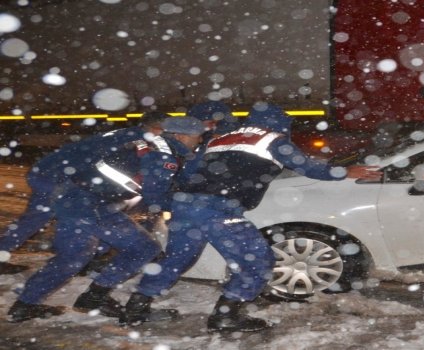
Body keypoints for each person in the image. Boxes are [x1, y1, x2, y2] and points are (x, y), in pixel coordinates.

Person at [119, 102, 382, 332]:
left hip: (185, 206)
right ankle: (227, 317)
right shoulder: (272, 139)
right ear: (280, 122)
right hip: (218, 208)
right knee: (257, 260)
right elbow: (307, 166)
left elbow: (189, 174)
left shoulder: (219, 139)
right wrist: (345, 171)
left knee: (177, 259)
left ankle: (136, 309)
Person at [7, 117, 205, 323]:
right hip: (91, 204)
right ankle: (95, 297)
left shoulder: (146, 142)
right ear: (180, 136)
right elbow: (155, 196)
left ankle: (24, 305)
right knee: (144, 248)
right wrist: (187, 206)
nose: (199, 141)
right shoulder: (163, 156)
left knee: (73, 256)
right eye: (197, 137)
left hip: (70, 196)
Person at [0, 111, 168, 275]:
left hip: (53, 172)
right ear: (155, 127)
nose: (167, 134)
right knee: (40, 218)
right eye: (165, 129)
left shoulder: (129, 134)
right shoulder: (137, 141)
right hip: (55, 177)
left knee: (88, 216)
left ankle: (90, 258)